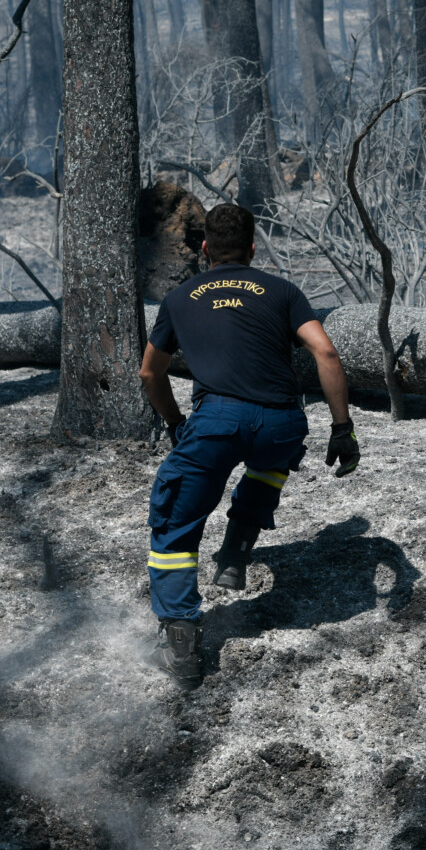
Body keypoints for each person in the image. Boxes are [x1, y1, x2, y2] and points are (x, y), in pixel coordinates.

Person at [138, 202, 360, 690]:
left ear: (204, 249)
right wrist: (342, 427)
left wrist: (176, 422)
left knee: (175, 521)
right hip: (283, 421)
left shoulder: (179, 297)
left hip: (216, 421)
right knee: (269, 462)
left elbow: (150, 372)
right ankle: (236, 552)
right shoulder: (282, 290)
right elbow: (324, 351)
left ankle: (181, 641)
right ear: (253, 249)